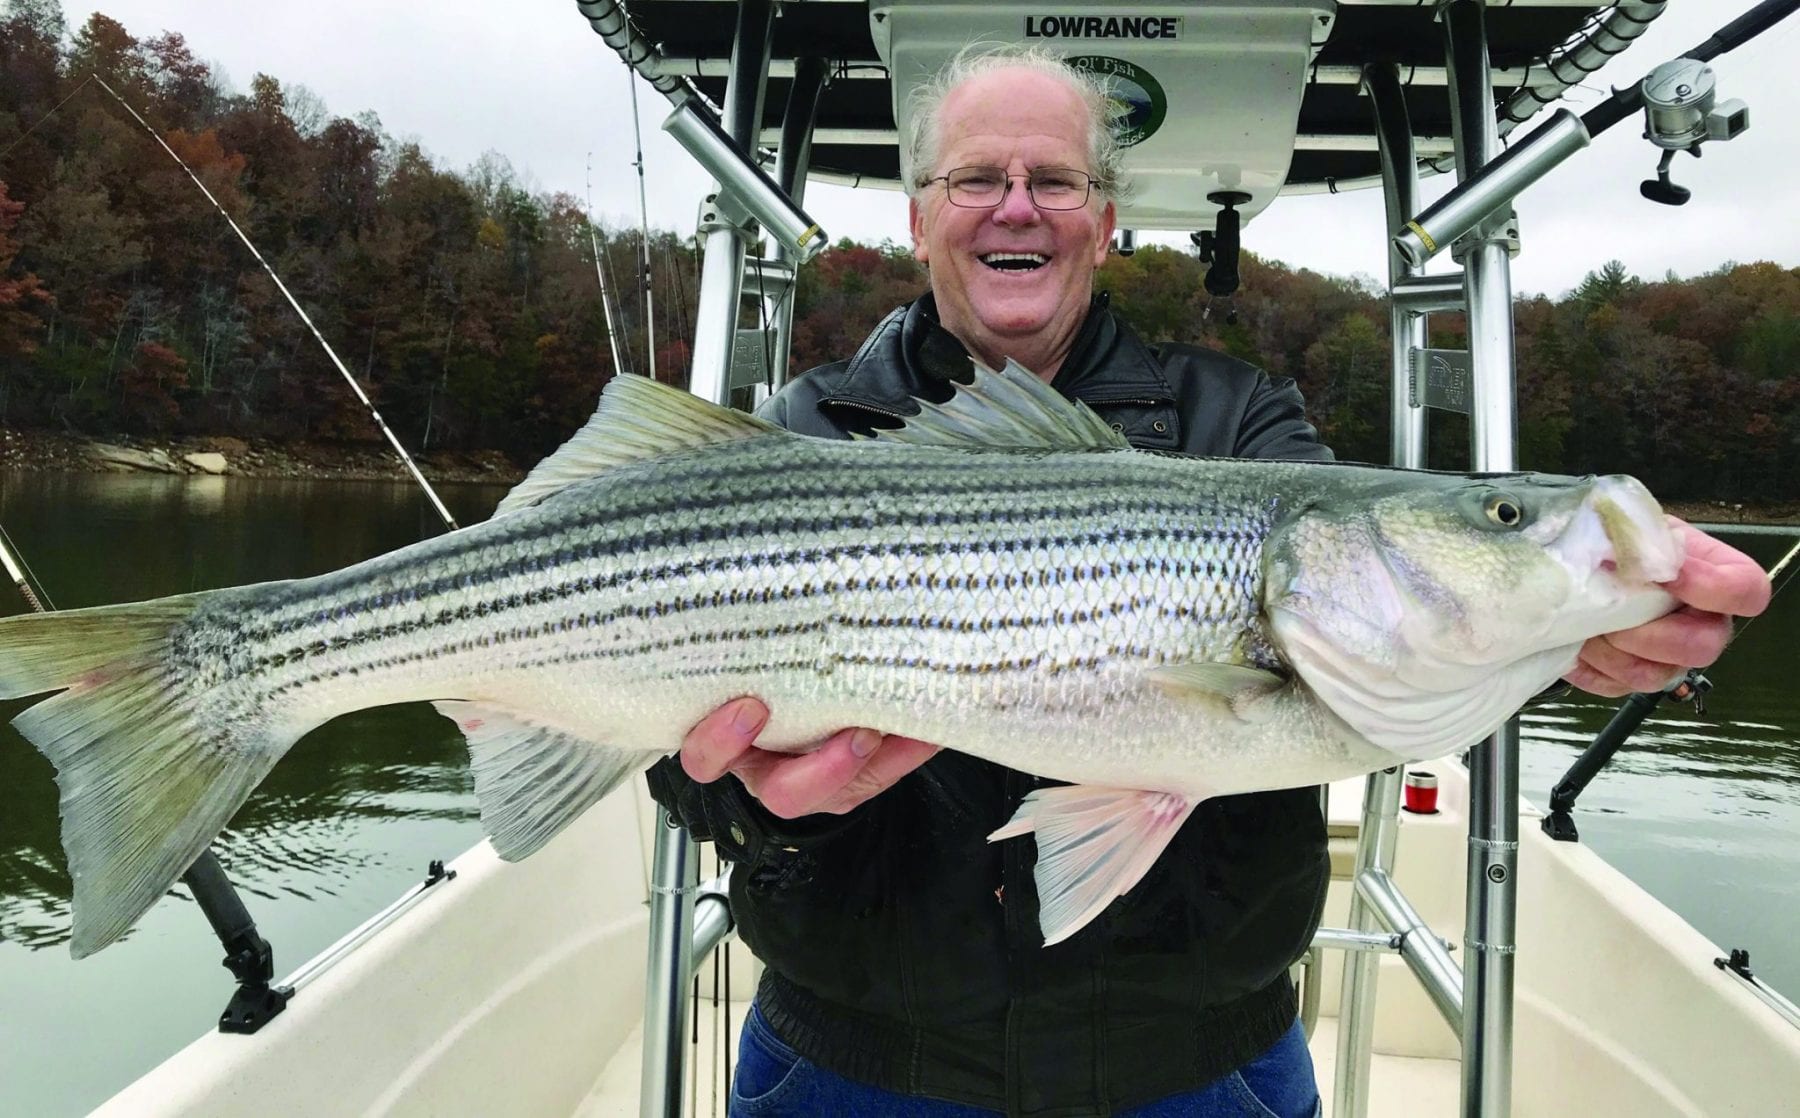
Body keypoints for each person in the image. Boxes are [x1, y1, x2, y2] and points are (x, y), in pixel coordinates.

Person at [646, 45, 1773, 1118]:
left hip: (1196, 1069)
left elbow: (1393, 622)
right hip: (852, 1064)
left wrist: (1571, 634)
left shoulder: (1243, 421)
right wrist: (753, 795)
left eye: (1058, 179)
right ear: (919, 214)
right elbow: (677, 768)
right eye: (977, 177)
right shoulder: (806, 435)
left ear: (1107, 217)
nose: (1018, 204)